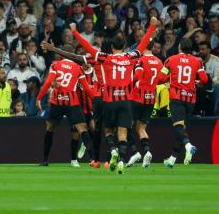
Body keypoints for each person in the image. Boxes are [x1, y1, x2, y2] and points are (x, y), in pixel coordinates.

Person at [42, 17, 157, 173]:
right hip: (125, 100)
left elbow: (84, 49)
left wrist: (74, 32)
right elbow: (143, 44)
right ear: (124, 46)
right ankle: (121, 160)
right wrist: (151, 27)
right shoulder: (131, 57)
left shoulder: (103, 58)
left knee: (107, 130)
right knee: (122, 132)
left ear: (110, 46)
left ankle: (111, 151)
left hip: (107, 100)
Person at [36, 47, 94, 168]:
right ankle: (93, 159)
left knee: (50, 129)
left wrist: (39, 98)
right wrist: (97, 101)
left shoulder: (55, 65)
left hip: (57, 102)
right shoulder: (78, 68)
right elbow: (87, 89)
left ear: (61, 55)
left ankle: (45, 160)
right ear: (72, 55)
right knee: (82, 130)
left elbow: (47, 83)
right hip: (72, 103)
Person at [160, 38, 208, 168]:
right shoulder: (198, 61)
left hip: (177, 97)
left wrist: (170, 78)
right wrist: (196, 82)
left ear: (180, 47)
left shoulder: (171, 60)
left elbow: (161, 78)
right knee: (182, 129)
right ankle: (172, 159)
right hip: (190, 99)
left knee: (178, 127)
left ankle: (188, 145)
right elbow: (204, 79)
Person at [126, 40, 164, 168]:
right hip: (151, 98)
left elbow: (137, 75)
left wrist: (129, 82)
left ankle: (135, 152)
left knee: (127, 126)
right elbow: (162, 79)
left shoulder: (140, 60)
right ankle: (147, 151)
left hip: (137, 97)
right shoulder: (159, 62)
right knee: (141, 128)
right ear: (153, 47)